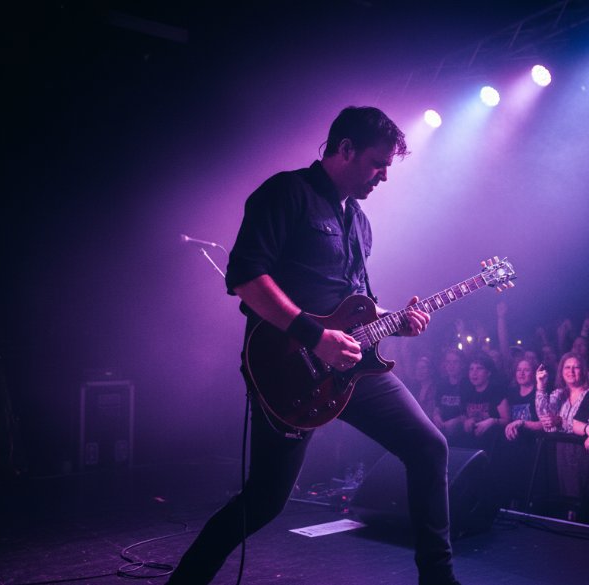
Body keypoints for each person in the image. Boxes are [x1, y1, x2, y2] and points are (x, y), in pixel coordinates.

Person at [167, 107, 461, 585]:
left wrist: (395, 323)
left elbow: (352, 303)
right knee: (264, 501)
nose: (384, 176)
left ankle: (439, 580)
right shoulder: (285, 194)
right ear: (344, 149)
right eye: (377, 163)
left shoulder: (360, 222)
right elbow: (244, 277)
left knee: (429, 447)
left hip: (351, 368)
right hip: (287, 369)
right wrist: (314, 338)